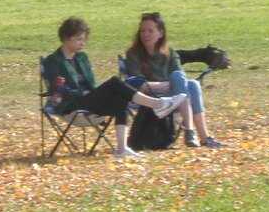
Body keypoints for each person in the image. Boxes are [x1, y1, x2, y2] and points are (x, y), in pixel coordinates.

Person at [43, 16, 187, 159]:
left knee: (120, 99)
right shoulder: (53, 61)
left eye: (84, 39)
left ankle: (122, 148)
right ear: (67, 38)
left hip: (89, 101)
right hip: (70, 105)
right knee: (114, 82)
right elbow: (59, 92)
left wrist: (91, 93)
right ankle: (157, 104)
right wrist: (84, 92)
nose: (83, 43)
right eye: (79, 39)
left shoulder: (82, 58)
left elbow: (92, 85)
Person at [125, 11, 224, 148]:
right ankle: (190, 131)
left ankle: (202, 136)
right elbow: (136, 85)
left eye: (150, 31)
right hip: (147, 99)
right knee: (184, 82)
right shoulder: (133, 54)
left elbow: (179, 80)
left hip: (173, 98)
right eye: (143, 31)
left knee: (193, 84)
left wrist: (170, 85)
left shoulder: (170, 54)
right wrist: (165, 85)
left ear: (161, 33)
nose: (145, 35)